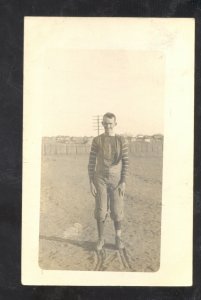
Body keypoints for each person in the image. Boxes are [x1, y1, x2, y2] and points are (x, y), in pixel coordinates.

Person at [88, 112, 129, 251]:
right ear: (102, 124)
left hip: (116, 180)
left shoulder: (122, 141)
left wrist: (123, 181)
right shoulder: (97, 140)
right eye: (105, 123)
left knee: (117, 211)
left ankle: (118, 238)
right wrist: (91, 182)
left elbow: (126, 162)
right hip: (100, 179)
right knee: (101, 210)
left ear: (115, 124)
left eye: (110, 123)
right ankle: (101, 239)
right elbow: (91, 162)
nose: (108, 126)